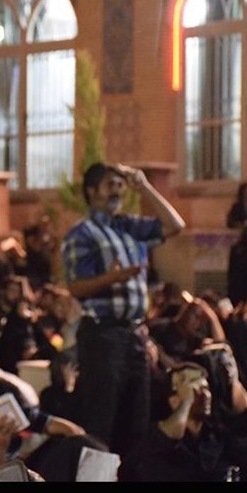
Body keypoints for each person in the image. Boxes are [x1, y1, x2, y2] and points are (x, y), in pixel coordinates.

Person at [62, 162, 185, 454]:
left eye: (120, 185)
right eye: (110, 185)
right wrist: (110, 278)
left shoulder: (129, 226)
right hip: (102, 336)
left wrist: (144, 186)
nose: (117, 191)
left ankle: (130, 473)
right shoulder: (82, 234)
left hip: (135, 335)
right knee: (101, 422)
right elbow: (75, 287)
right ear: (91, 191)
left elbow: (175, 226)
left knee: (136, 423)